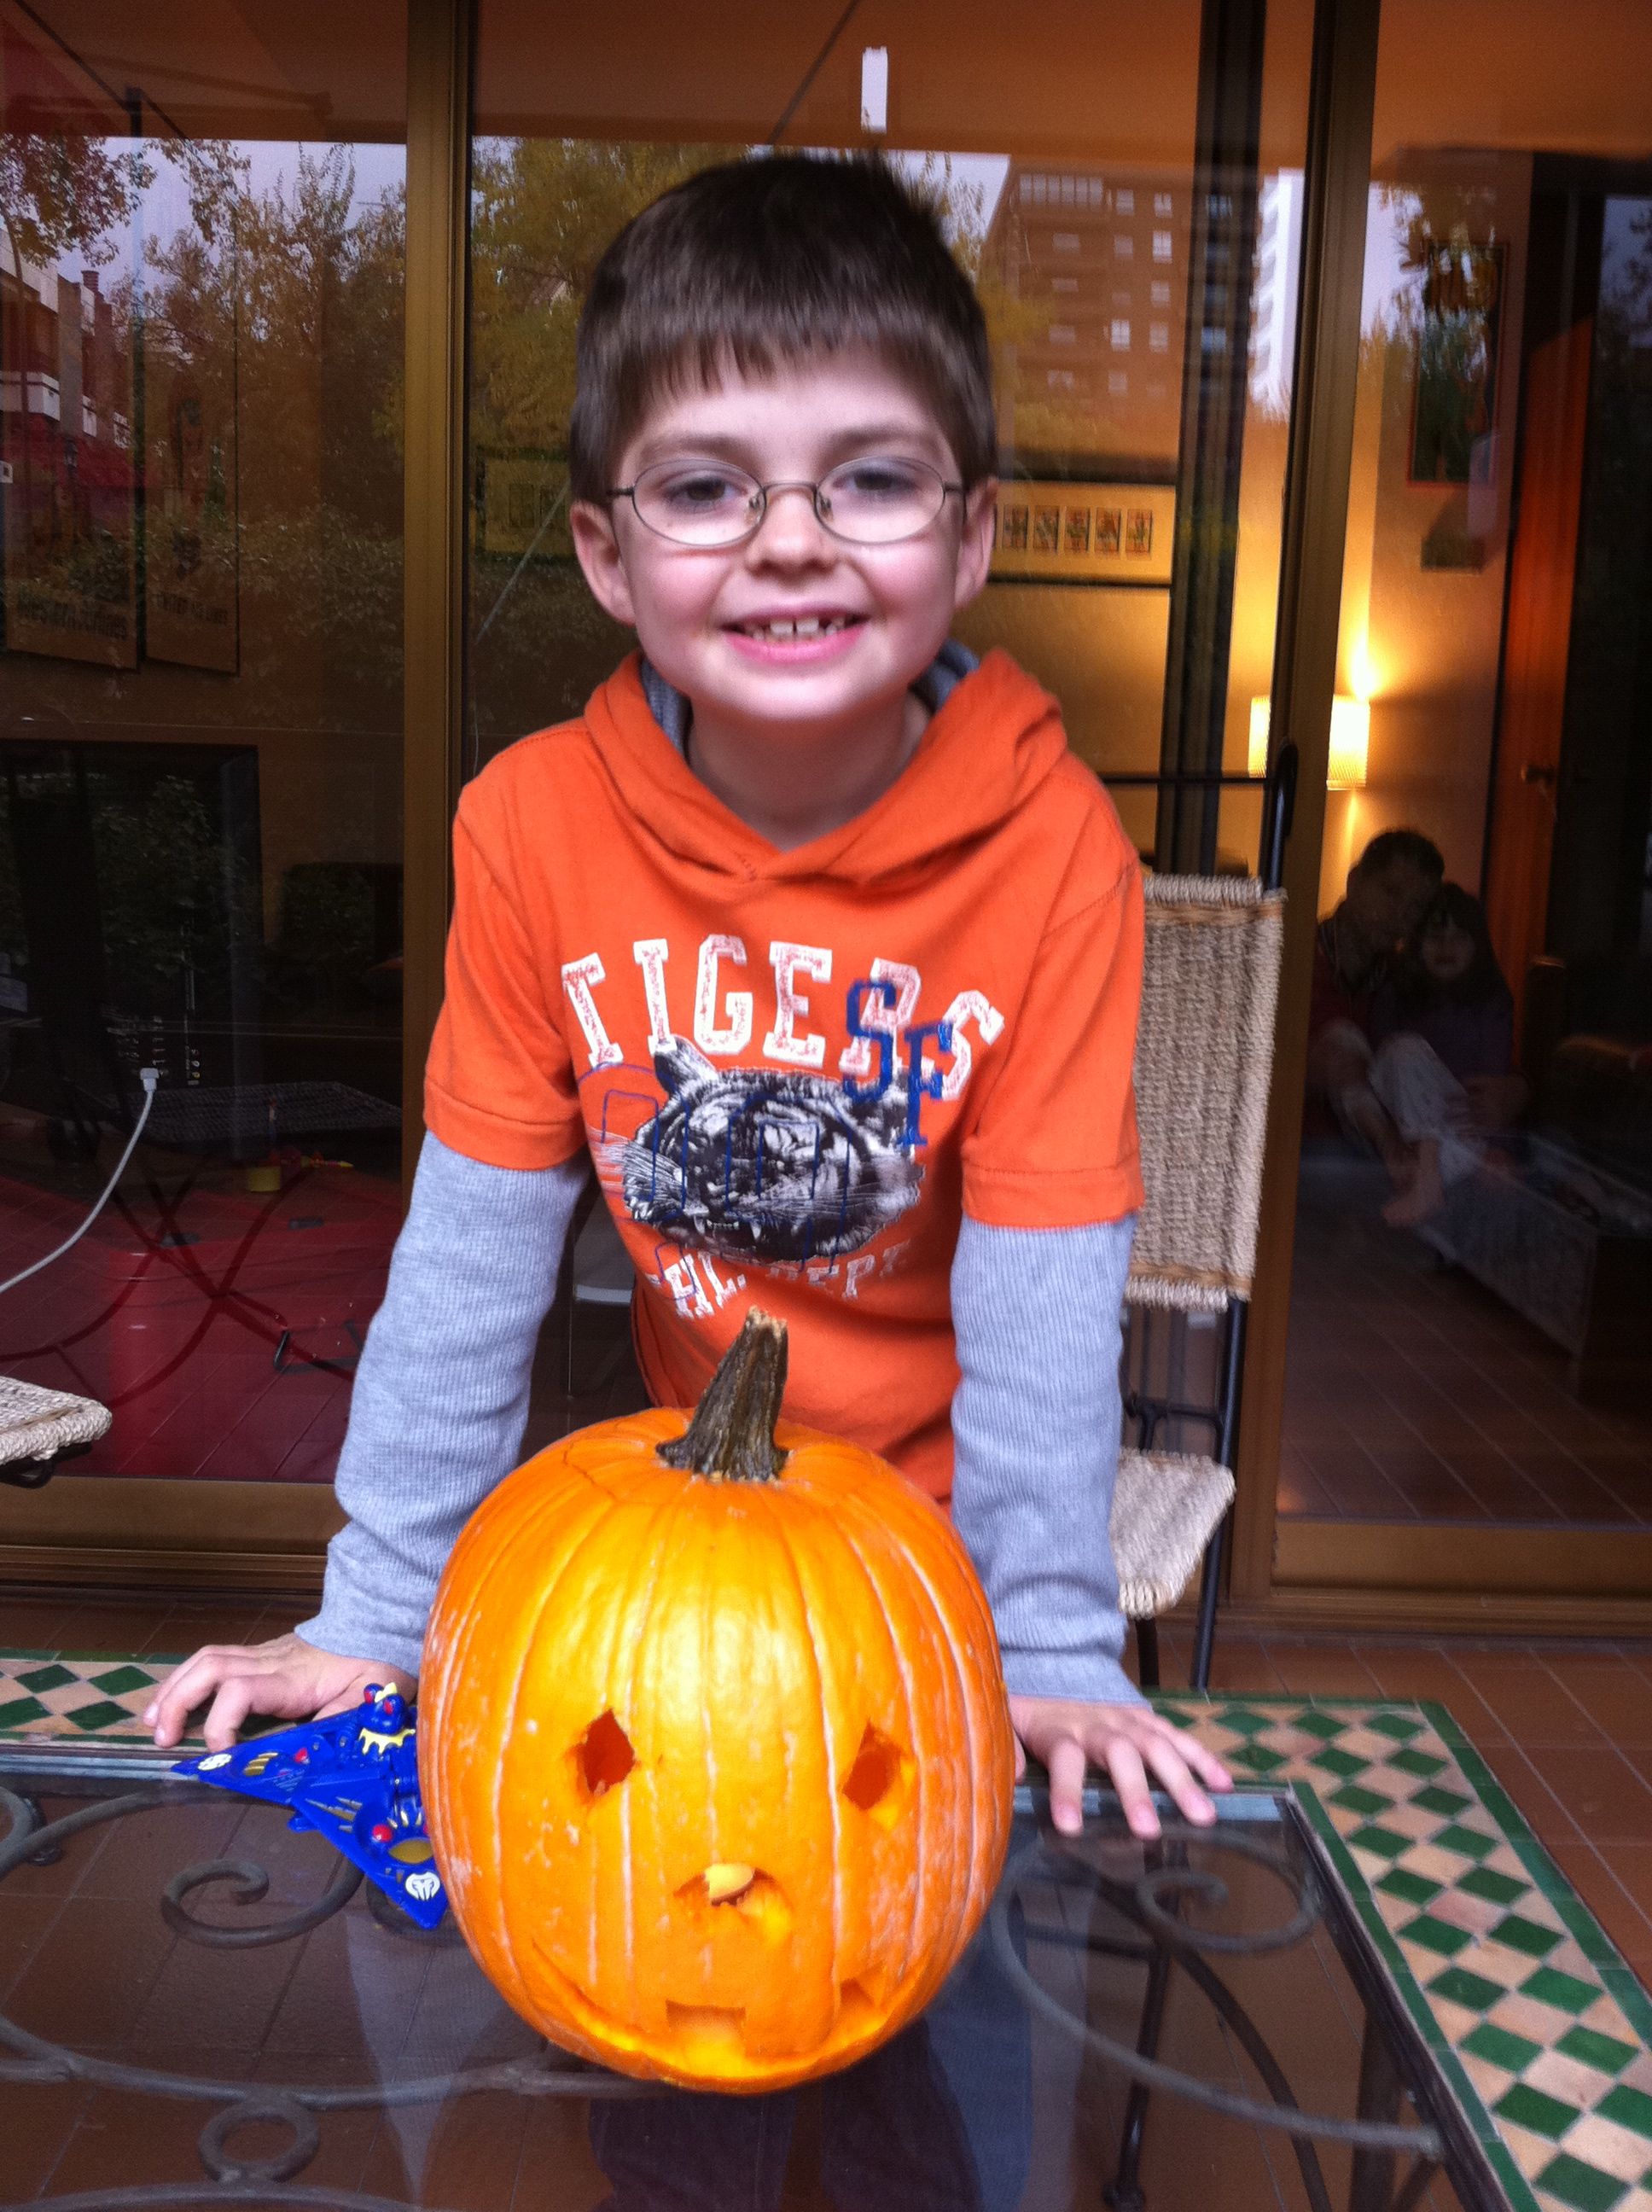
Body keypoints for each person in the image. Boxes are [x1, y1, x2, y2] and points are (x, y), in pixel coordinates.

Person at [148, 155, 1230, 1848]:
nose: (790, 539)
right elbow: (467, 1264)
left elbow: (1041, 1297)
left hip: (938, 1558)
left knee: (937, 1954)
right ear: (605, 551)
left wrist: (1047, 1648)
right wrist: (376, 1614)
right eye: (707, 487)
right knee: (656, 1911)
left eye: (872, 478)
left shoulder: (1053, 850)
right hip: (687, 1517)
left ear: (969, 538)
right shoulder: (531, 828)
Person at [1364, 881, 1527, 1225]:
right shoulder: (1395, 994)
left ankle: (1427, 1183)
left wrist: (1499, 1148)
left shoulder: (1490, 1001)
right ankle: (1427, 1180)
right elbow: (1384, 1071)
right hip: (1408, 1128)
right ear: (1416, 943)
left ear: (1477, 946)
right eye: (1435, 937)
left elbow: (1489, 1092)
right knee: (1403, 1051)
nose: (1446, 947)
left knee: (1495, 1172)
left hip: (1461, 1125)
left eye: (1459, 938)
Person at [1306, 826, 1444, 1206]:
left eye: (1415, 907)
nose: (1399, 915)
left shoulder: (1408, 980)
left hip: (1389, 1154)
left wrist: (1516, 1086)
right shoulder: (1296, 959)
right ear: (1354, 882)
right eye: (1390, 892)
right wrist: (1306, 1073)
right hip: (1304, 1149)